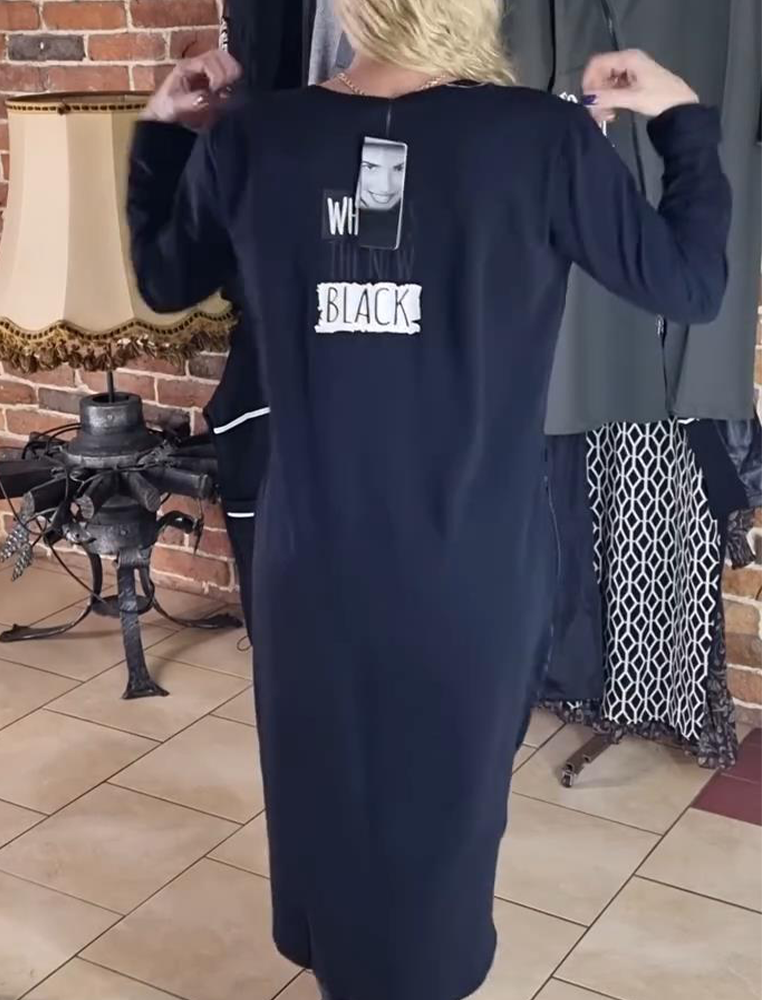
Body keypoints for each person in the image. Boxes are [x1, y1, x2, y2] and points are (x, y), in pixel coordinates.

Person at [127, 1, 731, 995]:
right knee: (439, 820)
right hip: (469, 567)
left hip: (311, 559)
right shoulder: (539, 140)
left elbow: (162, 277)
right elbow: (691, 283)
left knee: (330, 793)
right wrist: (679, 119)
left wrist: (163, 129)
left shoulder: (257, 137)